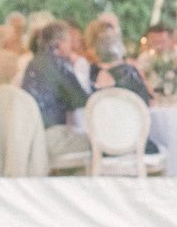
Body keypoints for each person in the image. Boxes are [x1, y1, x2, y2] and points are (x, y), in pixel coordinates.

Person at [21, 21, 110, 168]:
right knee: (106, 144)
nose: (71, 47)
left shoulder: (34, 62)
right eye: (69, 42)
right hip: (51, 138)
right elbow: (81, 100)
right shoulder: (59, 64)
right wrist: (101, 87)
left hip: (32, 135)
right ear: (60, 44)